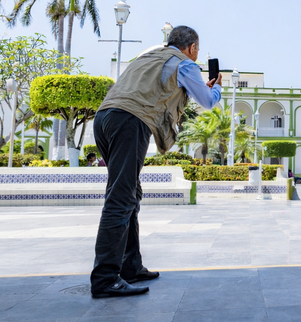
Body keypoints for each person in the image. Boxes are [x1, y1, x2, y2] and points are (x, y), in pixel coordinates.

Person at [90, 25, 222, 298]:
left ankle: (130, 266)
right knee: (121, 198)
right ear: (192, 48)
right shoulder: (185, 64)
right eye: (196, 49)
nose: (196, 54)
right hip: (130, 120)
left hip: (104, 118)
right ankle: (105, 279)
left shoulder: (148, 56)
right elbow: (208, 101)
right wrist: (217, 88)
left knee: (129, 193)